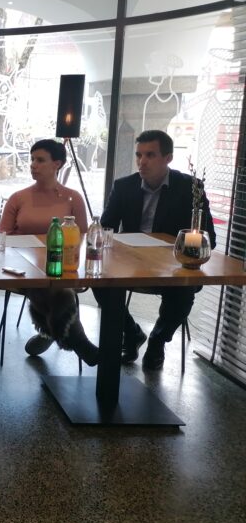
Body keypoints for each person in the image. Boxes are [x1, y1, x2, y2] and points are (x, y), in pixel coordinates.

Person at [93, 130, 216, 370]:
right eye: (139, 155)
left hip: (171, 265)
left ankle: (158, 340)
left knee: (185, 290)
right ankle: (132, 333)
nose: (142, 161)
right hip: (130, 262)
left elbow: (208, 236)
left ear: (168, 158)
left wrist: (182, 250)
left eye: (150, 155)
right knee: (99, 282)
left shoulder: (189, 187)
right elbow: (106, 228)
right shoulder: (124, 186)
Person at [0, 139, 97, 366]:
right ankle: (78, 341)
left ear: (57, 164)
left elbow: (81, 237)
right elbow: (3, 237)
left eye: (40, 160)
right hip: (22, 266)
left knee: (54, 282)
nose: (33, 165)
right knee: (53, 287)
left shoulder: (73, 198)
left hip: (61, 265)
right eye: (32, 159)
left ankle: (49, 332)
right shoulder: (18, 198)